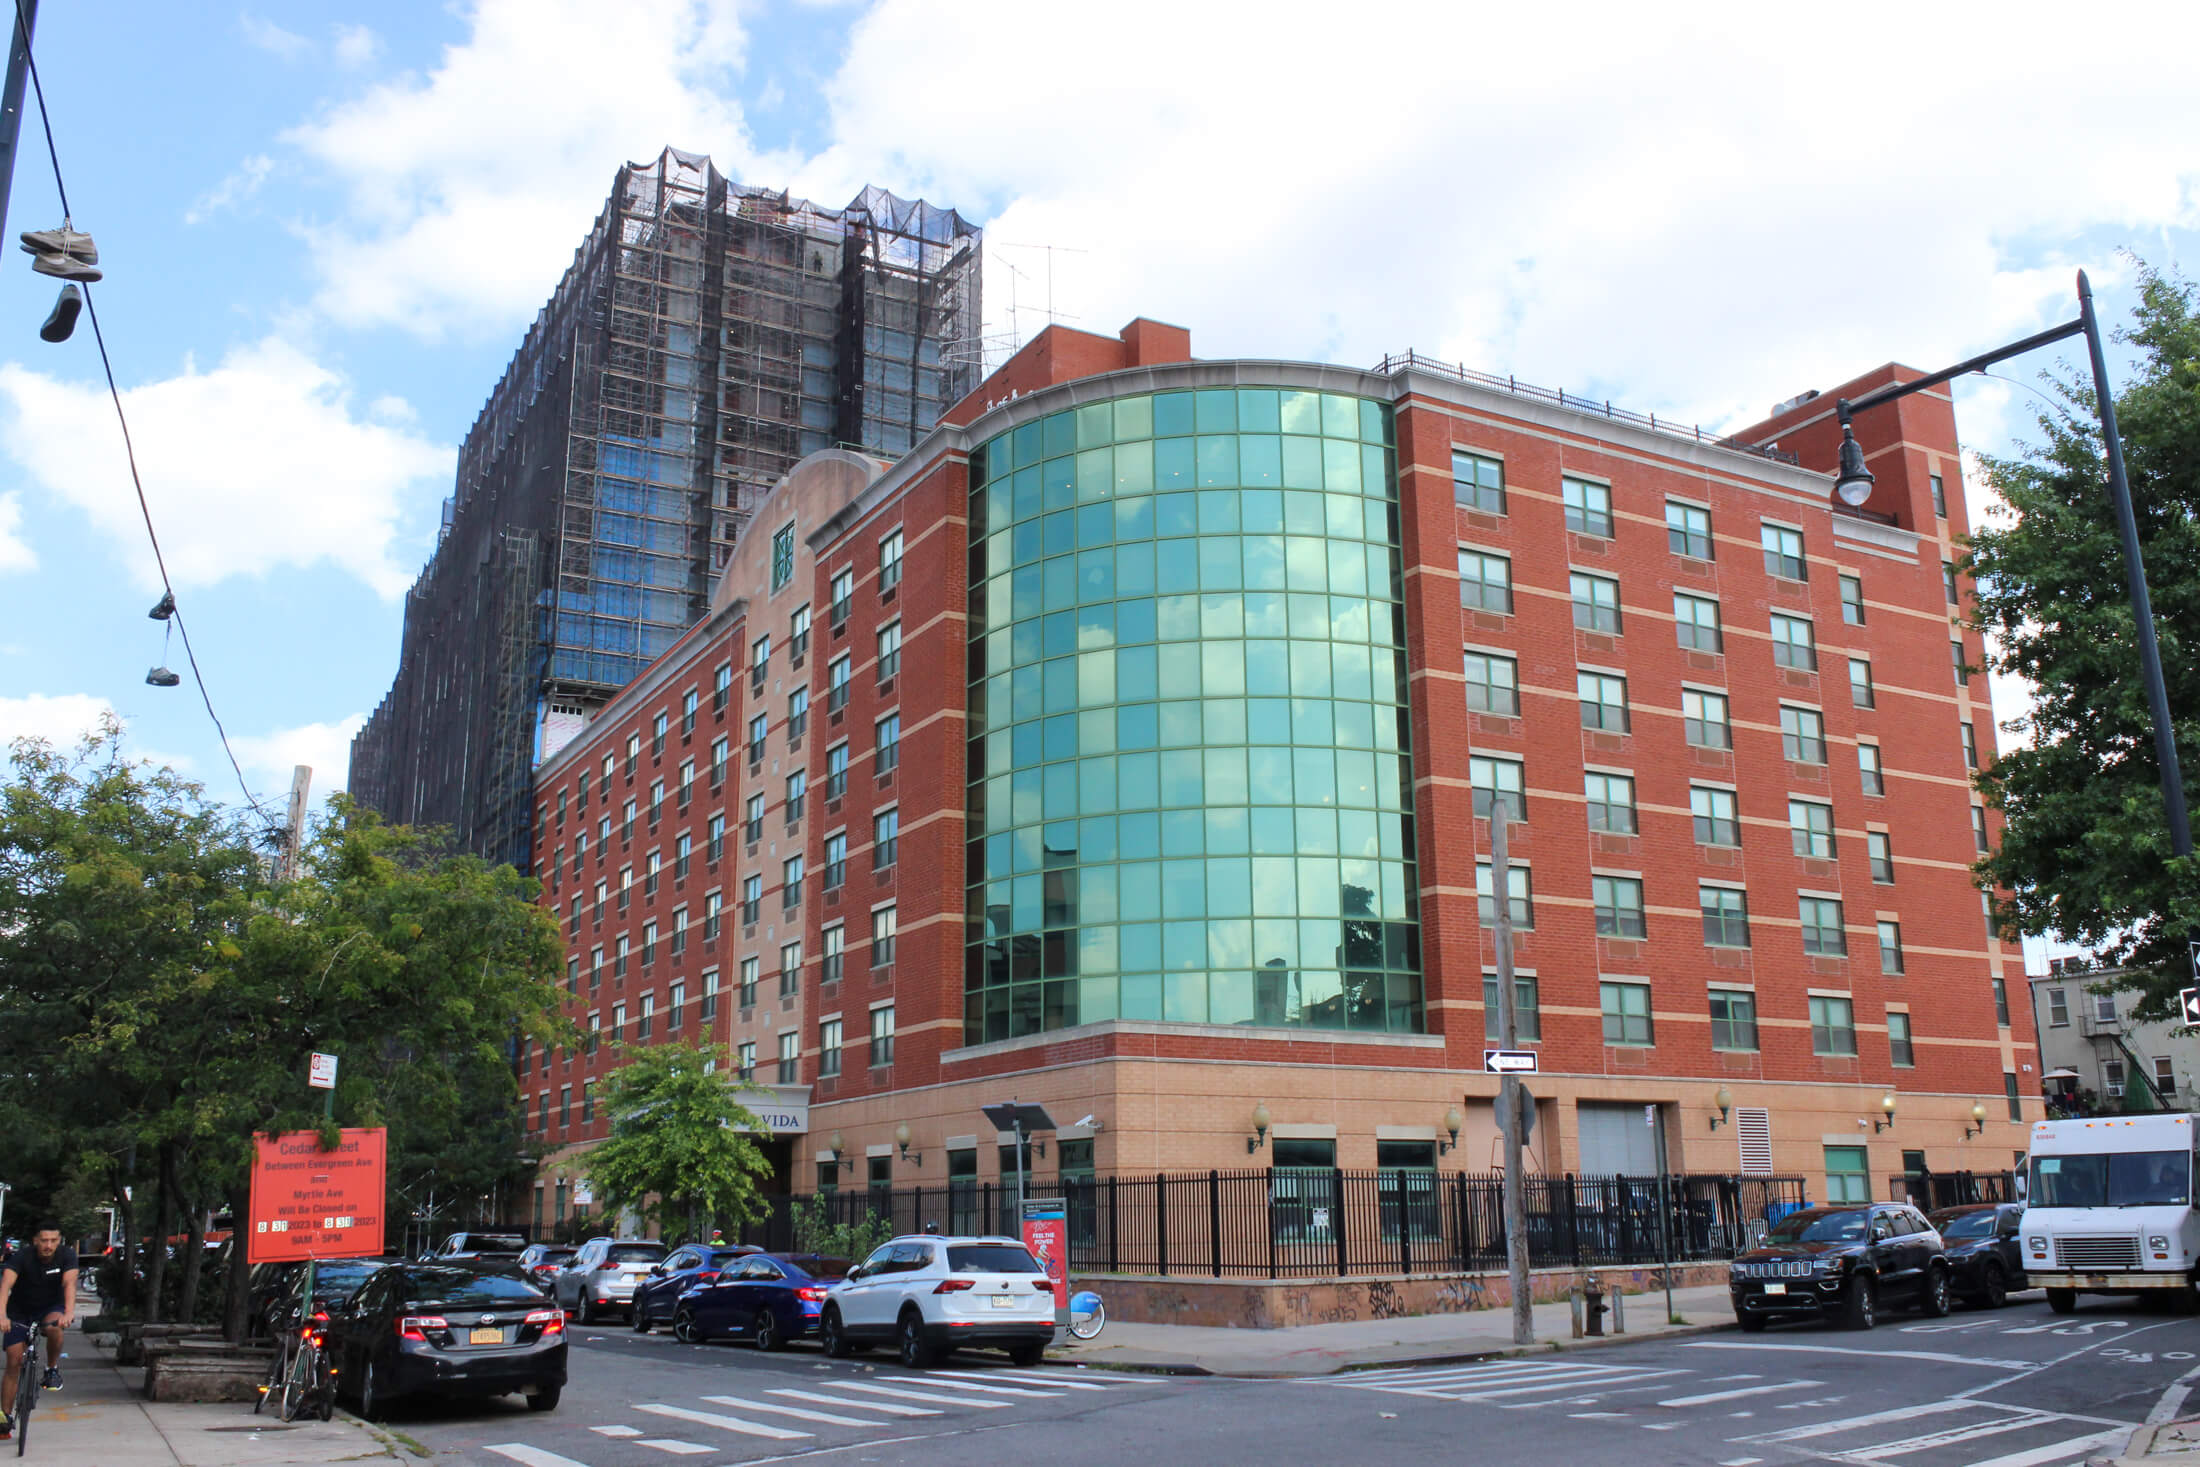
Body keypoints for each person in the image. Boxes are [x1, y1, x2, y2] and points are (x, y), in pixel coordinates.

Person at [0, 1223, 78, 1435]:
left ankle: (51, 1370)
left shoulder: (67, 1256)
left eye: (53, 1240)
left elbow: (69, 1284)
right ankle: (4, 1417)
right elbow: (5, 1285)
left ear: (59, 1241)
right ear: (36, 1240)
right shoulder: (21, 1257)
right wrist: (2, 1315)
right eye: (44, 1240)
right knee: (13, 1360)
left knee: (55, 1328)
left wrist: (69, 1312)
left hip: (50, 1308)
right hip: (20, 1311)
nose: (48, 1245)